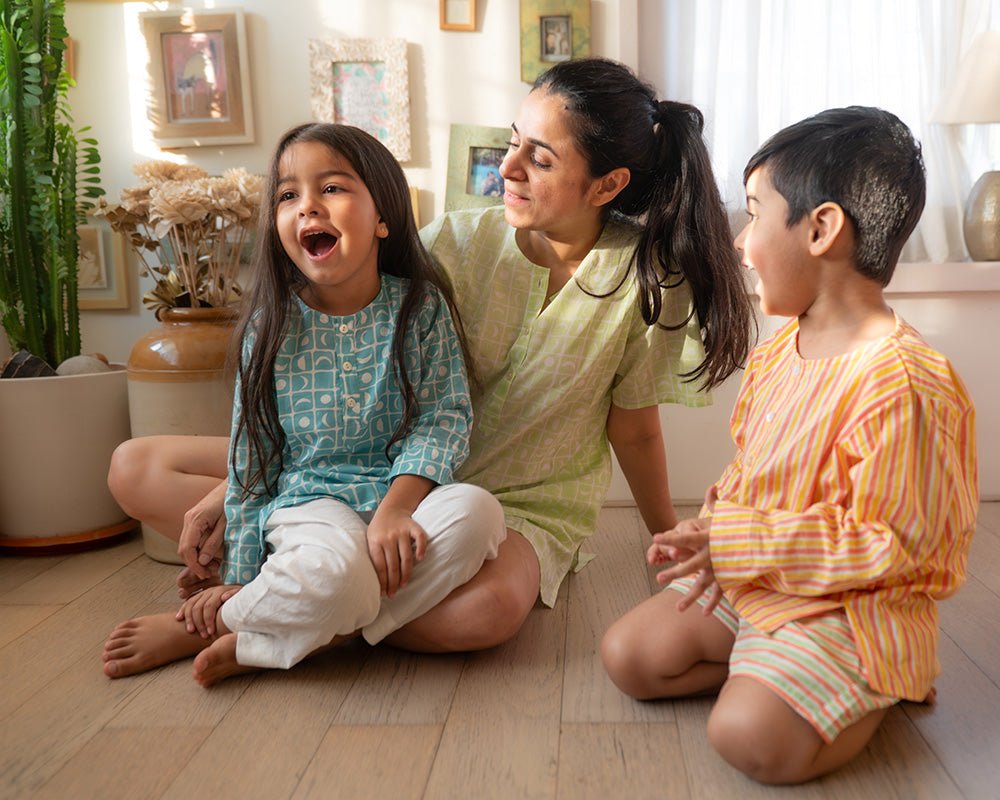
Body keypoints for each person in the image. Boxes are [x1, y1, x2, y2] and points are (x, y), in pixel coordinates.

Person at [106, 57, 754, 658]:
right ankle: (314, 591)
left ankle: (271, 614)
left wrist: (667, 537)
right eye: (513, 142)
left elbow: (634, 430)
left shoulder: (649, 283)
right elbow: (352, 347)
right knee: (136, 468)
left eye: (540, 158)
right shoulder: (454, 241)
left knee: (482, 615)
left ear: (607, 184)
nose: (507, 167)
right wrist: (236, 488)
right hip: (370, 465)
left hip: (511, 507)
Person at [600, 107, 979, 784]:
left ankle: (877, 682)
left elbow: (895, 547)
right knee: (628, 656)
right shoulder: (781, 354)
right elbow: (752, 473)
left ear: (821, 228)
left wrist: (741, 541)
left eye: (755, 215)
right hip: (761, 579)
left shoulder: (905, 384)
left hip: (854, 608)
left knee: (745, 735)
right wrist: (711, 529)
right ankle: (771, 668)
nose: (741, 243)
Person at [102, 123, 507, 685]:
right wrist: (242, 574)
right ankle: (269, 613)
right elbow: (253, 460)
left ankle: (246, 628)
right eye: (288, 195)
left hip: (402, 504)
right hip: (311, 507)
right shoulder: (269, 328)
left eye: (332, 188)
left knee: (479, 513)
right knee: (339, 575)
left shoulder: (421, 308)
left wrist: (394, 510)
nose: (308, 205)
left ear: (383, 217)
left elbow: (443, 419)